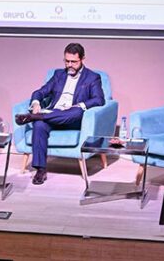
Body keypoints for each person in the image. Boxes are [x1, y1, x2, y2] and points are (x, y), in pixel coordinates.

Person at [14, 42, 105, 185]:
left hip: (73, 117)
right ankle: (40, 169)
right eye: (67, 61)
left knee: (74, 112)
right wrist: (36, 103)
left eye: (73, 62)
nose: (69, 65)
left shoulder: (92, 77)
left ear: (82, 59)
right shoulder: (58, 75)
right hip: (54, 113)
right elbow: (40, 92)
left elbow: (99, 99)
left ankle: (34, 117)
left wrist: (80, 105)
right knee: (39, 125)